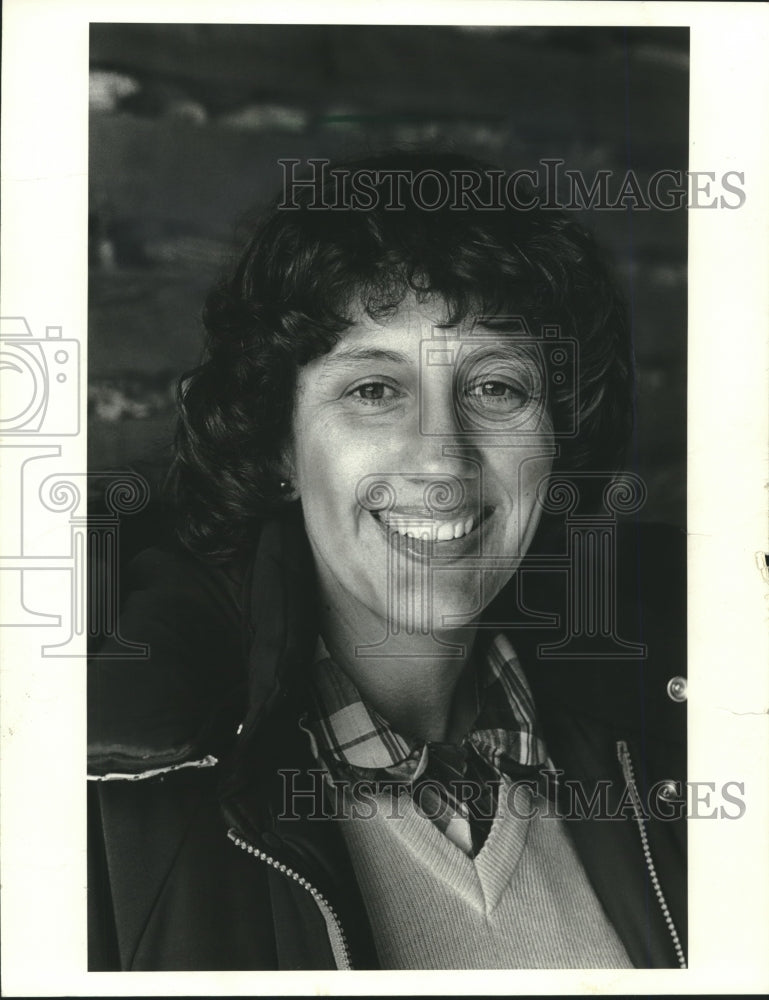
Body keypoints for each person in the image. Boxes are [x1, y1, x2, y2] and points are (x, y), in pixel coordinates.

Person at [87, 151, 687, 971]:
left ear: (557, 443)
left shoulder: (685, 717)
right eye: (373, 390)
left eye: (497, 389)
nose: (442, 462)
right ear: (282, 450)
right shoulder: (114, 803)